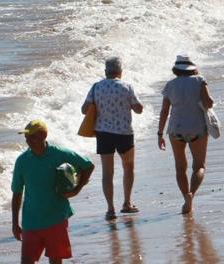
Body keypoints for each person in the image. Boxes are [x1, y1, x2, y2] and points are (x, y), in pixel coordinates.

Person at [11, 119, 95, 264]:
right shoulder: (22, 161)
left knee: (55, 260)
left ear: (43, 135)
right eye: (26, 137)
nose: (28, 141)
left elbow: (87, 165)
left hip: (56, 217)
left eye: (32, 136)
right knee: (26, 261)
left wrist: (77, 189)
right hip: (31, 221)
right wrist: (14, 223)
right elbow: (17, 192)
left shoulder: (59, 154)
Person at [81, 56, 144, 220]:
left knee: (107, 173)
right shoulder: (126, 87)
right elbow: (138, 109)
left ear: (105, 72)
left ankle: (110, 209)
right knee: (128, 167)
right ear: (120, 72)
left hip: (103, 134)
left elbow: (84, 110)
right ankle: (127, 203)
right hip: (124, 132)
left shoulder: (96, 87)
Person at [157, 54, 215, 215]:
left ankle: (185, 197)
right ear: (193, 68)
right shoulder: (199, 81)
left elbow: (164, 111)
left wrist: (159, 134)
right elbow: (208, 103)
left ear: (176, 69)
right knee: (199, 166)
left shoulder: (170, 85)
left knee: (180, 167)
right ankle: (192, 194)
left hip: (176, 130)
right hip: (197, 129)